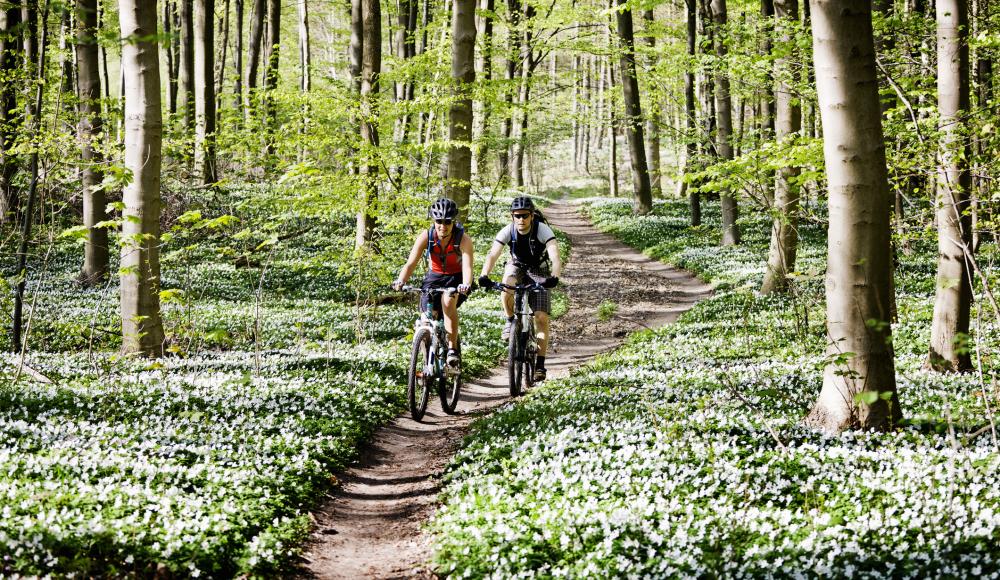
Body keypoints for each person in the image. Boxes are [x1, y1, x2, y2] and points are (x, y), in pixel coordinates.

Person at [478, 196, 562, 382]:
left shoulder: (542, 229)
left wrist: (554, 277)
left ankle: (540, 364)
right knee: (507, 281)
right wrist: (484, 274)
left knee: (541, 317)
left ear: (532, 216)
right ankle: (510, 320)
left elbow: (554, 256)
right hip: (516, 265)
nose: (521, 220)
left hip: (538, 268)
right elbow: (493, 254)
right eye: (517, 216)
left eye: (525, 216)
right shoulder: (508, 230)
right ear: (512, 216)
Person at [393, 198, 473, 370]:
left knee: (447, 302)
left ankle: (452, 351)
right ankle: (425, 360)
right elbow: (410, 263)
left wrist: (466, 284)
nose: (442, 226)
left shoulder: (463, 239)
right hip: (434, 277)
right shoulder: (426, 236)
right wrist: (401, 280)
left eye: (447, 222)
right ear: (434, 221)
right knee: (426, 319)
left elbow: (467, 266)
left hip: (456, 278)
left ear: (453, 223)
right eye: (439, 221)